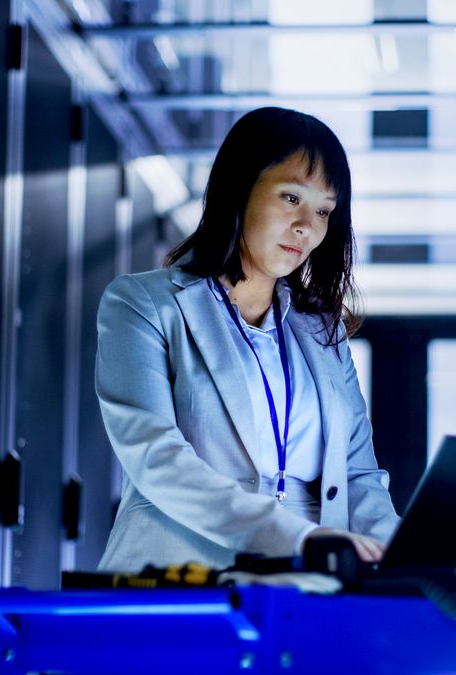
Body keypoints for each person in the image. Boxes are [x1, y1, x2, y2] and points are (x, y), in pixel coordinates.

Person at [94, 107, 400, 573]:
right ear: (240, 189)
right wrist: (299, 538)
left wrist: (411, 556)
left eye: (323, 210)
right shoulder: (143, 304)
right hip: (183, 577)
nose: (307, 227)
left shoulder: (324, 333)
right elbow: (156, 458)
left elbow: (358, 476)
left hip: (309, 587)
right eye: (291, 198)